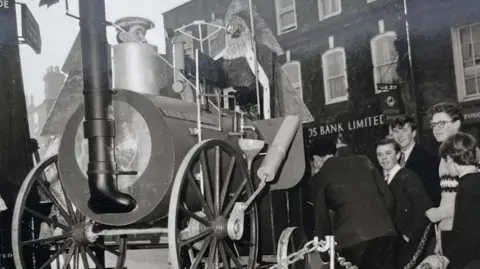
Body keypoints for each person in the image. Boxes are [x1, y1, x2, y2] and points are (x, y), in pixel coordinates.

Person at [308, 137, 397, 269]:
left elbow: (322, 219)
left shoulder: (320, 177)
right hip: (386, 234)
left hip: (353, 241)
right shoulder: (363, 160)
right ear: (335, 152)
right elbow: (388, 198)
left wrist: (325, 254)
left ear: (315, 159)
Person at [376, 138, 433, 268]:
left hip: (405, 246)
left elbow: (424, 209)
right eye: (380, 154)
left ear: (398, 155)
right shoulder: (381, 181)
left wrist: (410, 237)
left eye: (388, 153)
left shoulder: (407, 176)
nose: (383, 158)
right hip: (389, 245)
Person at [424, 102, 464, 259]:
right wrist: (440, 237)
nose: (436, 128)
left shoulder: (466, 153)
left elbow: (472, 199)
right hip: (449, 231)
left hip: (465, 232)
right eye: (433, 125)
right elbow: (447, 197)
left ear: (457, 124)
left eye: (441, 123)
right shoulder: (444, 157)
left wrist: (440, 213)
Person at [437, 132, 480, 269]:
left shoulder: (465, 186)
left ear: (449, 159)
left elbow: (466, 232)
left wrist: (451, 260)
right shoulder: (476, 180)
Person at [390, 115, 441, 206]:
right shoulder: (392, 158)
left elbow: (434, 193)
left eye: (404, 131)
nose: (400, 136)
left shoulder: (428, 157)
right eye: (396, 131)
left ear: (413, 133)